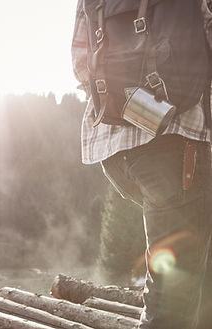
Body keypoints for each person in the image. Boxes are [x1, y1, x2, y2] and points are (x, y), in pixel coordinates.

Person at [71, 1, 212, 328]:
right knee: (171, 304)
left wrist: (140, 107)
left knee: (197, 284)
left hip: (117, 150)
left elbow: (81, 64)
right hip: (179, 147)